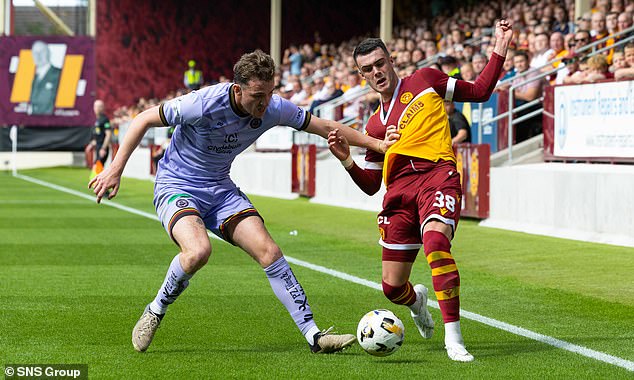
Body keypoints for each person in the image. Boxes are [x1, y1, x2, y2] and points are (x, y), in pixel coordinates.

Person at [89, 49, 396, 354]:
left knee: (270, 251)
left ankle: (314, 336)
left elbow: (325, 126)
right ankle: (155, 310)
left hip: (221, 190)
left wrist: (377, 144)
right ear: (237, 90)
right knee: (198, 251)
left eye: (270, 93)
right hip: (178, 186)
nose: (264, 103)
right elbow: (142, 119)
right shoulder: (201, 104)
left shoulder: (273, 107)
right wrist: (115, 170)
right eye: (257, 95)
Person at [326, 19, 513, 362]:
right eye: (368, 69)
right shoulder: (373, 126)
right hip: (398, 195)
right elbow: (371, 186)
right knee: (392, 287)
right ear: (361, 75)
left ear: (392, 60)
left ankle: (453, 338)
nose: (377, 71)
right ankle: (417, 302)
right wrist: (346, 161)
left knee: (437, 243)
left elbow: (481, 91)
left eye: (381, 63)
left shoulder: (425, 81)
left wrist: (499, 46)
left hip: (437, 176)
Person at [28, 40, 61, 115]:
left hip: (54, 122)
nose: (38, 55)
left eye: (42, 52)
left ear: (48, 53)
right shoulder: (30, 76)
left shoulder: (59, 74)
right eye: (35, 53)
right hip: (32, 121)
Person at [88, 100, 113, 167]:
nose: (97, 108)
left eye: (99, 106)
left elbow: (108, 134)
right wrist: (91, 144)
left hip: (102, 148)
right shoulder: (97, 120)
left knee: (97, 167)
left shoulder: (105, 119)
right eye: (96, 106)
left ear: (103, 108)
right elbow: (98, 136)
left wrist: (103, 148)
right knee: (97, 168)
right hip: (98, 148)